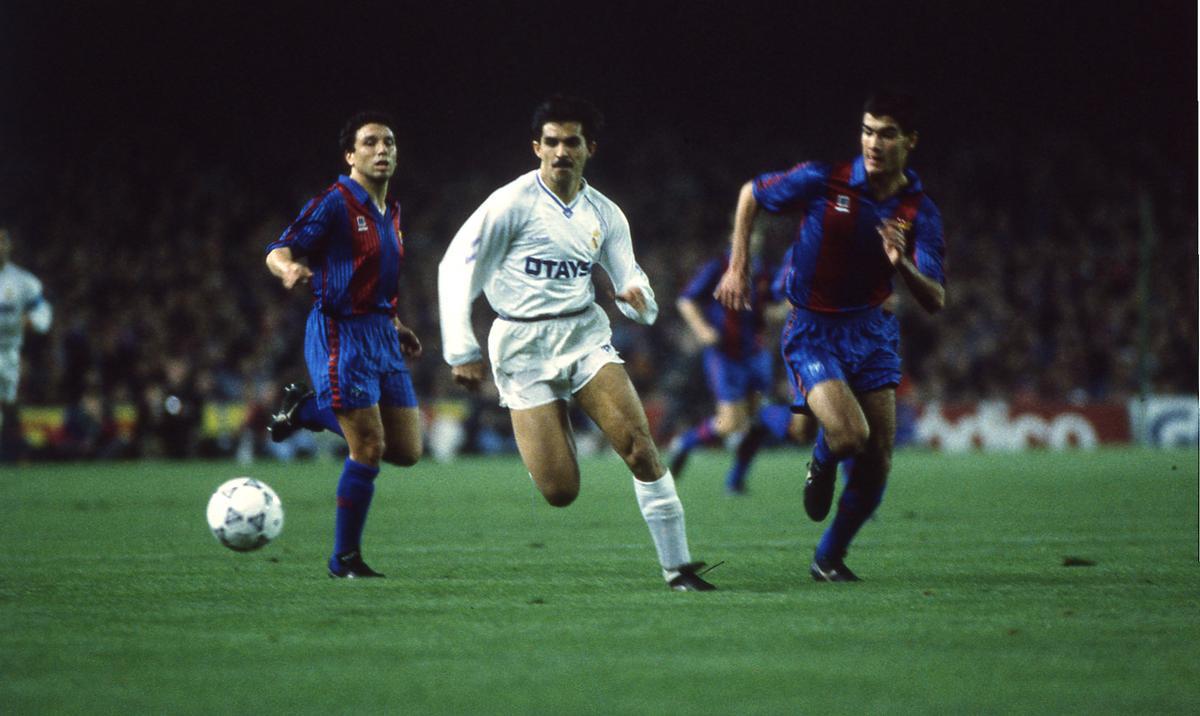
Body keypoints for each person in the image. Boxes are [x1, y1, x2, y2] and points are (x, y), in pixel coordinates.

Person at [438, 95, 716, 591]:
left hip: (583, 335)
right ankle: (544, 434)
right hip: (521, 345)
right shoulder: (509, 205)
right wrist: (461, 349)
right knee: (561, 491)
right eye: (551, 142)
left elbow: (636, 289)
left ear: (590, 148)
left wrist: (636, 301)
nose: (561, 151)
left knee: (638, 446)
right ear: (536, 147)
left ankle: (678, 570)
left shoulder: (605, 215)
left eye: (571, 142)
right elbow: (455, 269)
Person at [714, 89, 946, 582]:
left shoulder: (919, 211)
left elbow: (935, 298)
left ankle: (828, 558)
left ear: (910, 142)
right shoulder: (825, 180)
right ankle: (821, 464)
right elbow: (750, 193)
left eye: (886, 134)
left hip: (873, 333)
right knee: (848, 435)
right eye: (867, 130)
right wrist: (739, 267)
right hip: (813, 330)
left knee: (878, 458)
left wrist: (901, 262)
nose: (873, 143)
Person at [265, 111, 424, 579]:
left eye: (389, 142)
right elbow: (279, 248)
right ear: (350, 155)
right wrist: (288, 269)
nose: (382, 150)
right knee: (369, 446)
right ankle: (344, 559)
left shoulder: (391, 210)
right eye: (371, 142)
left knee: (407, 449)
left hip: (380, 332)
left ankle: (308, 411)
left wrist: (395, 323)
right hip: (341, 331)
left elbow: (374, 277)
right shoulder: (335, 203)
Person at [667, 231, 798, 494]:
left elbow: (774, 307)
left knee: (758, 419)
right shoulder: (718, 267)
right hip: (724, 355)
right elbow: (686, 300)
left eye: (755, 235)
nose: (752, 240)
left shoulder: (765, 271)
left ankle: (736, 480)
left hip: (756, 355)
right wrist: (702, 330)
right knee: (730, 423)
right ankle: (685, 443)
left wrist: (788, 308)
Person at [0, 228, 53, 457]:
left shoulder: (22, 282)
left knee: (7, 403)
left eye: (2, 241)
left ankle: (12, 452)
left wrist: (32, 321)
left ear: (9, 246)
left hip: (9, 351)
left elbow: (43, 312)